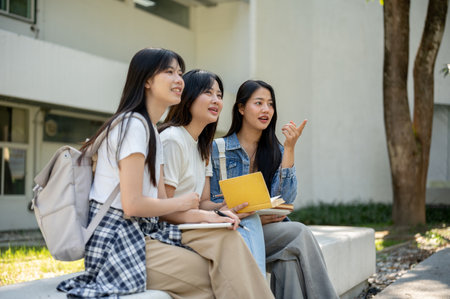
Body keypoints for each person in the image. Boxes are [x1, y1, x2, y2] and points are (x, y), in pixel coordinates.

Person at [57, 49, 273, 299]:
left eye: (180, 73)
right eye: (169, 72)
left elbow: (161, 205)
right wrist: (189, 204)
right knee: (223, 275)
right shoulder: (133, 127)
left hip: (144, 234)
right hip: (119, 244)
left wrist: (210, 215)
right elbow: (132, 205)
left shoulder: (151, 132)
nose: (179, 79)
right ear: (147, 81)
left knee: (228, 244)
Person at [209, 80, 339, 299]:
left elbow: (285, 201)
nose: (266, 110)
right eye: (258, 103)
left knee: (287, 262)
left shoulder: (276, 150)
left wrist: (289, 149)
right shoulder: (217, 149)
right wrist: (252, 217)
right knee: (300, 232)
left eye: (270, 104)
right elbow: (212, 202)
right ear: (241, 108)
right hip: (233, 232)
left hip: (266, 233)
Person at [158, 69, 267, 276]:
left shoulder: (202, 146)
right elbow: (164, 211)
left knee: (245, 218)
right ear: (188, 97)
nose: (216, 100)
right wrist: (213, 216)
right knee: (234, 230)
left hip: (194, 223)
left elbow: (204, 201)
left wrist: (229, 207)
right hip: (172, 230)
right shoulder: (173, 139)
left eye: (219, 95)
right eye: (208, 93)